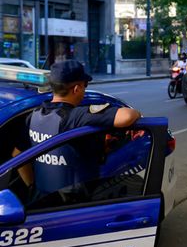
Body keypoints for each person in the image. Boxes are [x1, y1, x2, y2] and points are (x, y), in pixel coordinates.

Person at [28, 60, 141, 200]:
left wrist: (31, 186)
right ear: (77, 89)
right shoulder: (74, 117)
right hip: (74, 204)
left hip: (41, 201)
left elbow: (17, 153)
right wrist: (137, 113)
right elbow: (127, 116)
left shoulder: (34, 115)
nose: (85, 90)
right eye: (85, 85)